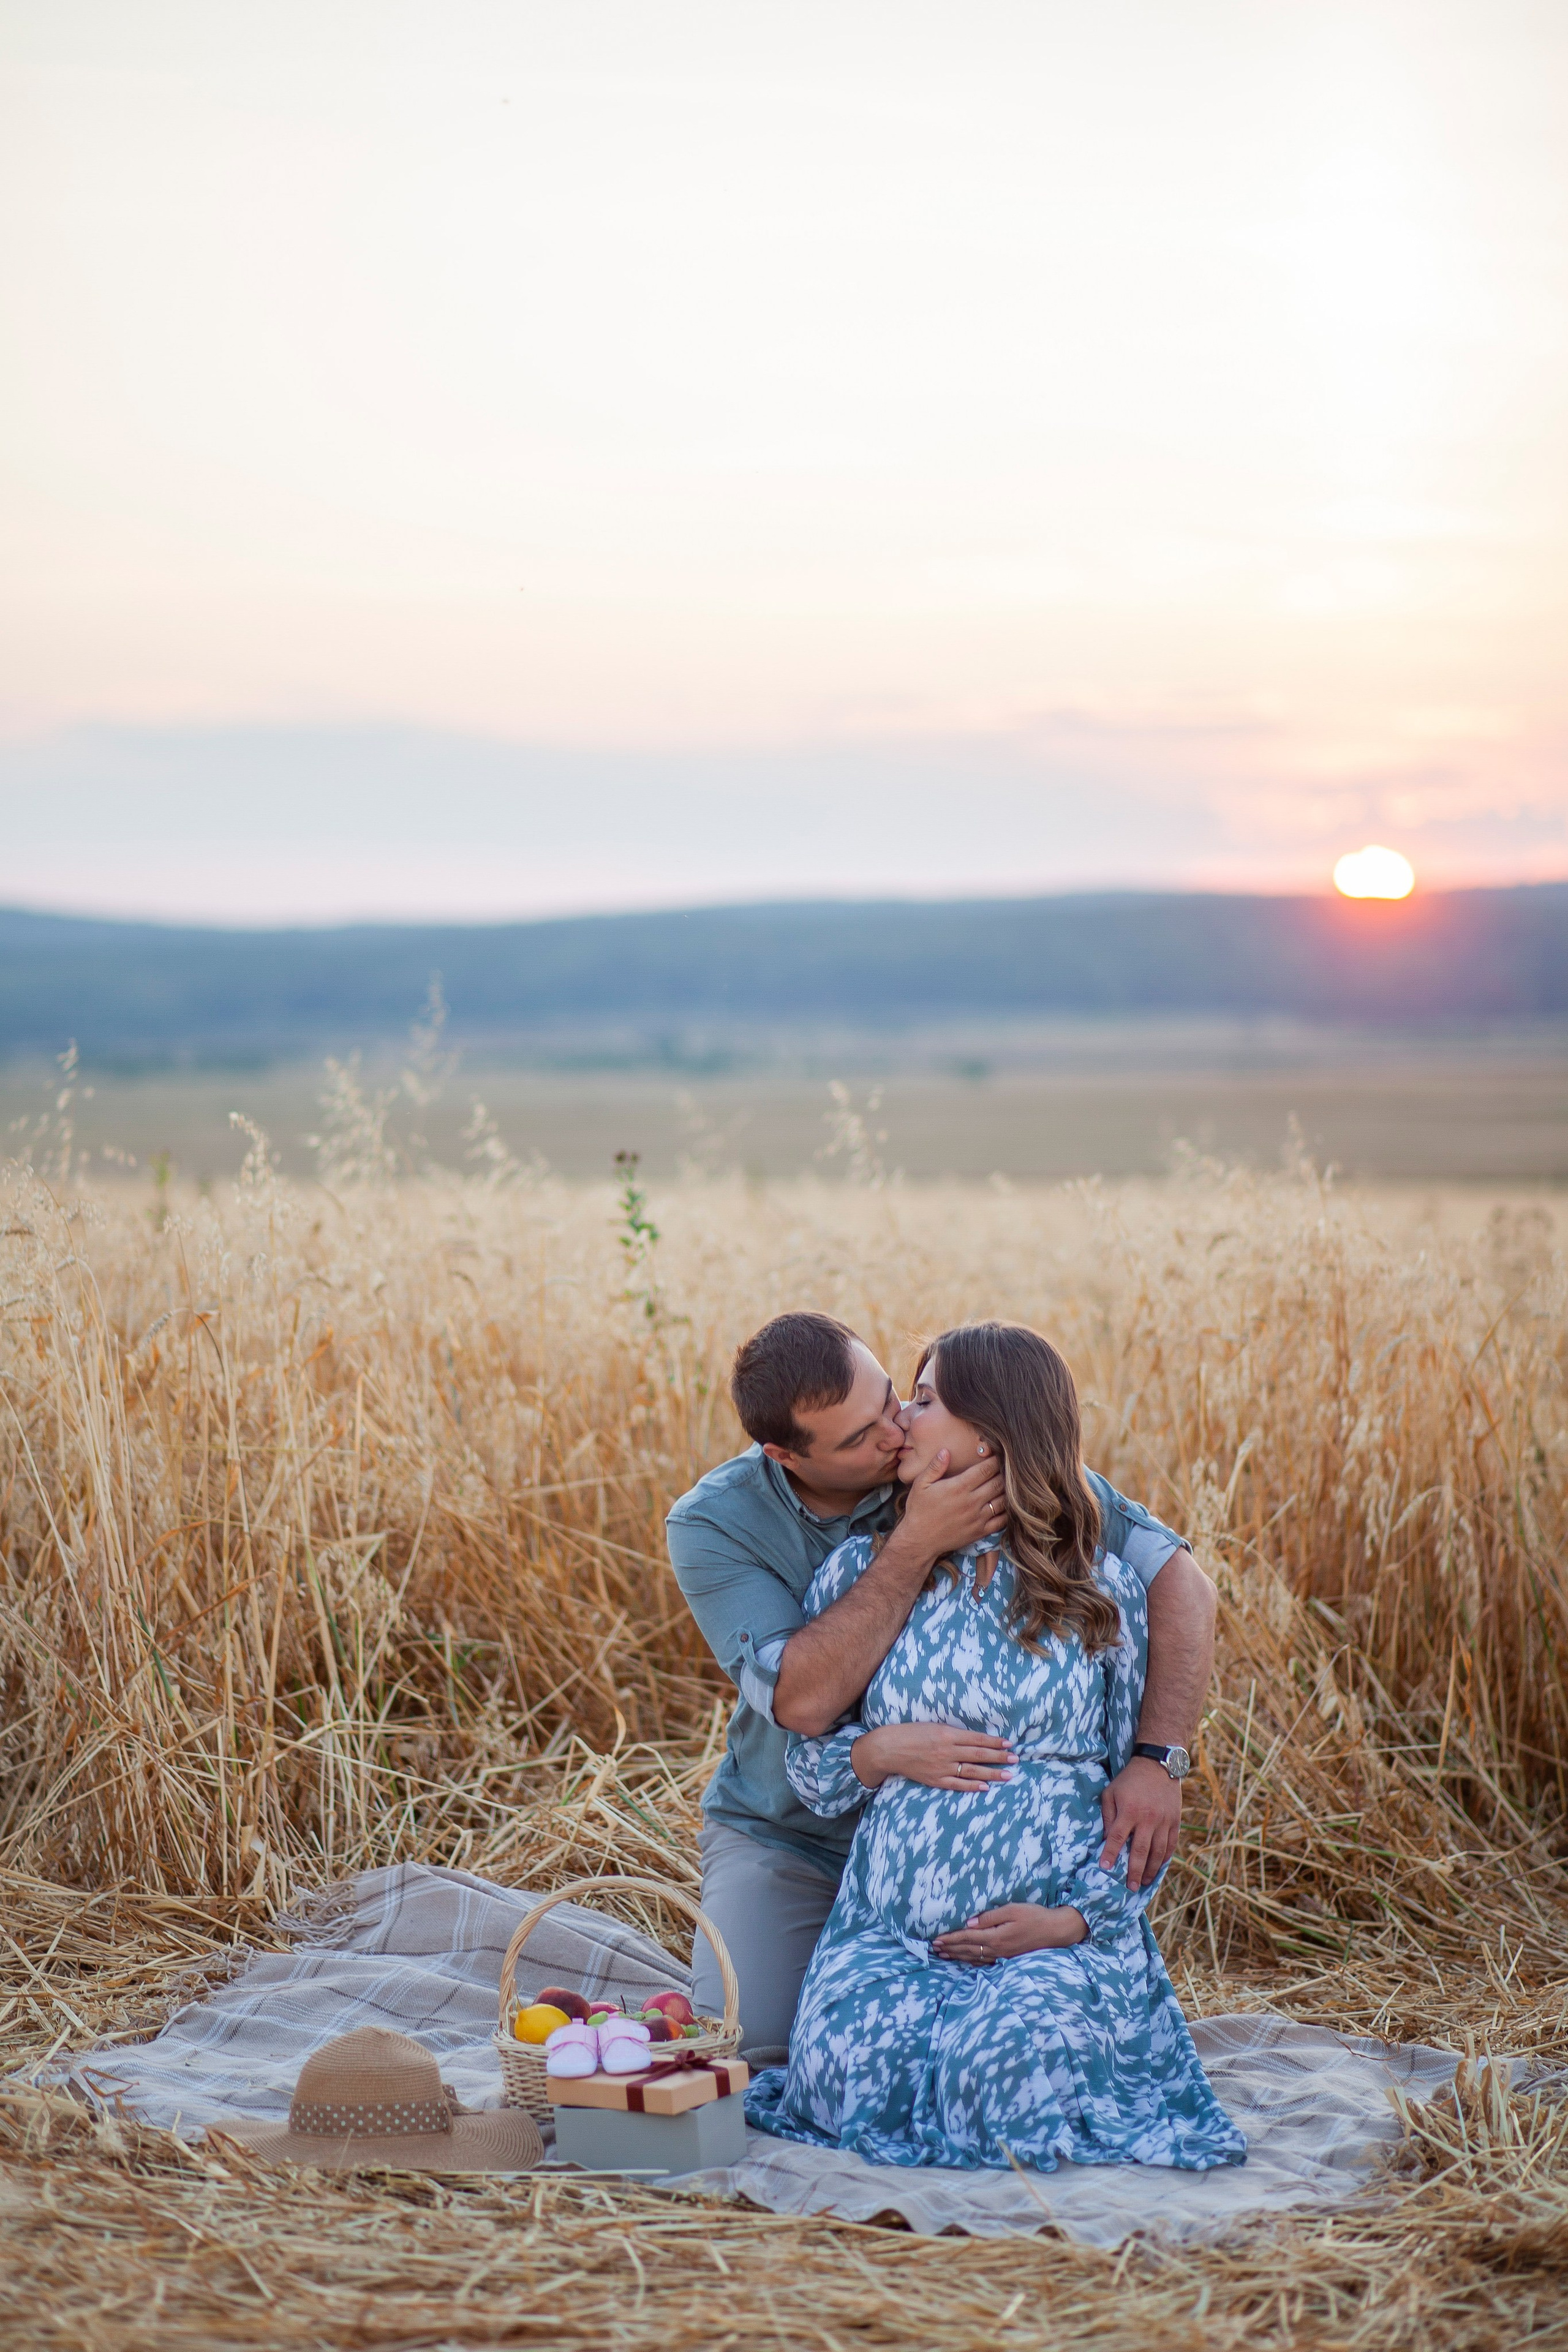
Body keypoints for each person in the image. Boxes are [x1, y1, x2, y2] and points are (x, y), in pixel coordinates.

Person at [745, 1322, 1245, 2172]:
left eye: (925, 1400)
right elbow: (811, 1768)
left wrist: (1070, 1922)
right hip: (890, 1933)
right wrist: (878, 1753)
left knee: (1000, 2080)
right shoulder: (860, 1577)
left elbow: (1135, 1804)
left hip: (1050, 1941)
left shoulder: (1097, 1588)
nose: (902, 1422)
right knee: (839, 2077)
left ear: (991, 1433)